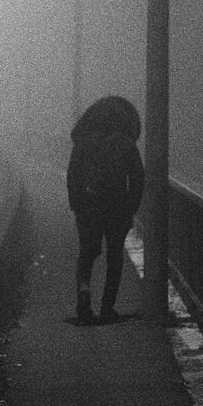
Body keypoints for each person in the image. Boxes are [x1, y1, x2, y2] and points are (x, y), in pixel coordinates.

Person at [66, 94, 145, 324]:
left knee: (87, 254)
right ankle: (107, 306)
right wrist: (130, 207)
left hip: (88, 207)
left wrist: (77, 205)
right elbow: (138, 178)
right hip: (117, 208)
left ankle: (84, 293)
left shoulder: (83, 143)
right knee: (114, 256)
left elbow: (73, 177)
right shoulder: (125, 143)